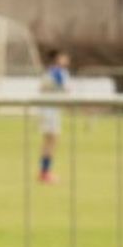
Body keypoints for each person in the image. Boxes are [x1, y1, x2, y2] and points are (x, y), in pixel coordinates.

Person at [37, 49, 71, 184]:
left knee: (47, 141)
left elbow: (42, 88)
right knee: (52, 141)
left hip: (46, 109)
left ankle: (43, 172)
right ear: (58, 58)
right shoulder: (59, 73)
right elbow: (66, 91)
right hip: (51, 110)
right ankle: (45, 173)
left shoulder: (49, 72)